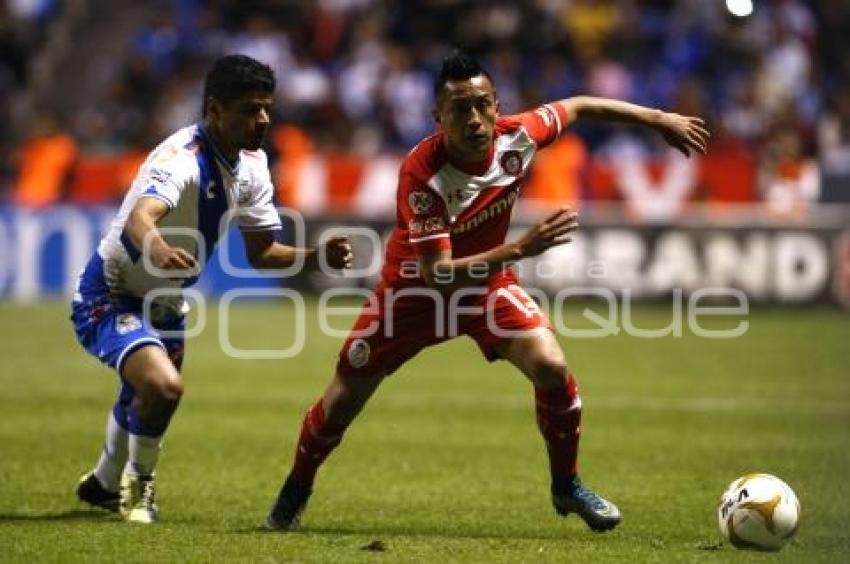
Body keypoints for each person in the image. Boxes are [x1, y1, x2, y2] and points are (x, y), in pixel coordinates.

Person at [265, 50, 708, 532]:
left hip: (484, 288)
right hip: (412, 295)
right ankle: (297, 489)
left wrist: (658, 118)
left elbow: (579, 105)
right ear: (439, 117)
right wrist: (519, 249)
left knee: (552, 367)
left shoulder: (518, 136)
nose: (474, 120)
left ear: (497, 106)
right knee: (343, 400)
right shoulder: (423, 173)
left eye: (483, 105)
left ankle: (567, 484)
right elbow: (438, 272)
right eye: (460, 109)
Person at [72, 54, 353, 524]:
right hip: (112, 292)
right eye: (249, 109)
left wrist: (312, 257)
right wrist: (158, 247)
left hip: (167, 302)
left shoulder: (254, 167)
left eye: (266, 108)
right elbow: (141, 219)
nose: (262, 120)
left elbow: (263, 252)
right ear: (215, 111)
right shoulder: (181, 159)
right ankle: (138, 490)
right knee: (163, 387)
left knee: (140, 395)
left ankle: (102, 482)